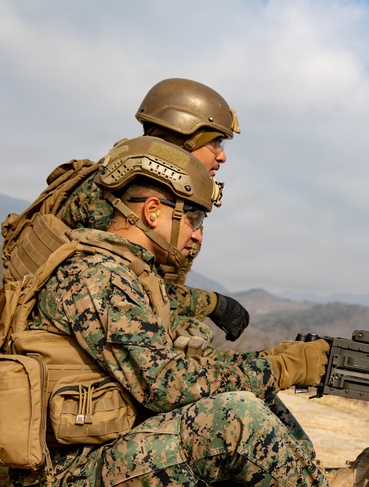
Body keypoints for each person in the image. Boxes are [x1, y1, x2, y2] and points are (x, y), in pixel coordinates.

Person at [18, 135, 369, 487]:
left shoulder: (127, 272)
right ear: (153, 211)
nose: (197, 234)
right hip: (72, 476)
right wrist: (278, 369)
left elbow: (178, 368)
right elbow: (167, 384)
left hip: (111, 446)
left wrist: (269, 361)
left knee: (246, 392)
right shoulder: (99, 277)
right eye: (192, 218)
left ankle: (313, 484)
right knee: (235, 415)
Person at [59, 78, 249, 341]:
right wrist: (212, 304)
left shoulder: (160, 191)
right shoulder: (115, 195)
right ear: (186, 136)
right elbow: (119, 291)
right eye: (216, 142)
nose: (222, 156)